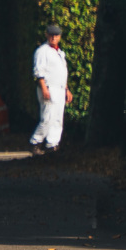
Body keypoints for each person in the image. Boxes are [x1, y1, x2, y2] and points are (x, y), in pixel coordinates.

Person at [29, 23, 72, 156]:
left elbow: (61, 73)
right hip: (49, 87)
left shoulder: (59, 53)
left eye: (56, 35)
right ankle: (35, 142)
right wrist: (44, 88)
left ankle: (52, 144)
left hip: (59, 88)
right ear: (47, 35)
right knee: (47, 117)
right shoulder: (43, 51)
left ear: (59, 37)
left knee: (58, 119)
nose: (54, 37)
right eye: (51, 35)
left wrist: (66, 89)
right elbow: (39, 71)